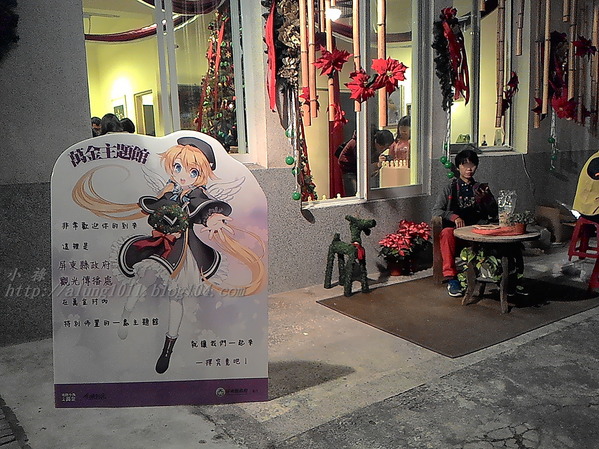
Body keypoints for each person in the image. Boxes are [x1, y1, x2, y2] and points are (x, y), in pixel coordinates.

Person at [72, 136, 266, 374]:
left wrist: (213, 219)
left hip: (184, 250)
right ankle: (126, 314)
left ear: (202, 173)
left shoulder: (196, 194)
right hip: (160, 243)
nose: (183, 175)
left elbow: (205, 209)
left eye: (192, 171)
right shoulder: (169, 190)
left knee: (176, 297)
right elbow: (155, 208)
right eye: (178, 167)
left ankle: (167, 349)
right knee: (144, 277)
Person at [432, 149, 498, 297]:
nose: (469, 169)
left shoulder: (481, 188)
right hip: (457, 233)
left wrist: (486, 200)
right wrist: (454, 217)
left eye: (472, 165)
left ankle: (501, 276)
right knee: (446, 233)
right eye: (465, 165)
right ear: (458, 167)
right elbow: (436, 211)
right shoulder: (450, 188)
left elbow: (494, 213)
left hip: (477, 231)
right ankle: (452, 278)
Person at [338, 131, 357, 196]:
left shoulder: (354, 142)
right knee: (353, 193)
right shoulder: (355, 143)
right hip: (349, 170)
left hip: (350, 168)